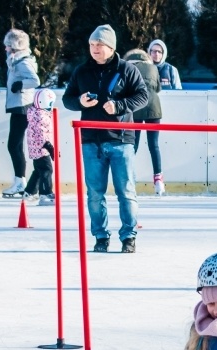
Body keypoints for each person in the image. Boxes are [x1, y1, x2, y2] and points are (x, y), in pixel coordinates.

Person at [62, 24, 148, 253]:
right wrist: (80, 102)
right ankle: (100, 236)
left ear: (110, 47)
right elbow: (67, 99)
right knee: (94, 193)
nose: (94, 49)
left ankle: (129, 237)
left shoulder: (127, 69)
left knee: (126, 192)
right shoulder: (81, 71)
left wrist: (120, 106)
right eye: (91, 44)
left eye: (99, 44)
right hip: (91, 141)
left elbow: (143, 96)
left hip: (121, 140)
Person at [2, 29, 40, 198]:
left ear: (15, 47)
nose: (5, 49)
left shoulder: (22, 62)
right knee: (15, 145)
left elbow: (35, 80)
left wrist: (21, 85)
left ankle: (20, 181)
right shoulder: (15, 60)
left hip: (23, 106)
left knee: (14, 145)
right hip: (18, 105)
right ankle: (20, 180)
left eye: (8, 46)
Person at [123, 49, 165, 196]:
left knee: (132, 145)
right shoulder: (153, 67)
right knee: (154, 145)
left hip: (136, 107)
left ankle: (129, 179)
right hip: (154, 107)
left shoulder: (128, 68)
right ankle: (158, 180)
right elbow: (158, 88)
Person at [23, 88, 57, 205]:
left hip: (36, 149)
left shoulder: (35, 112)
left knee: (38, 171)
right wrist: (50, 147)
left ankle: (29, 192)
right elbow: (42, 133)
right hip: (42, 149)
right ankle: (45, 194)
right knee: (47, 170)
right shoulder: (41, 116)